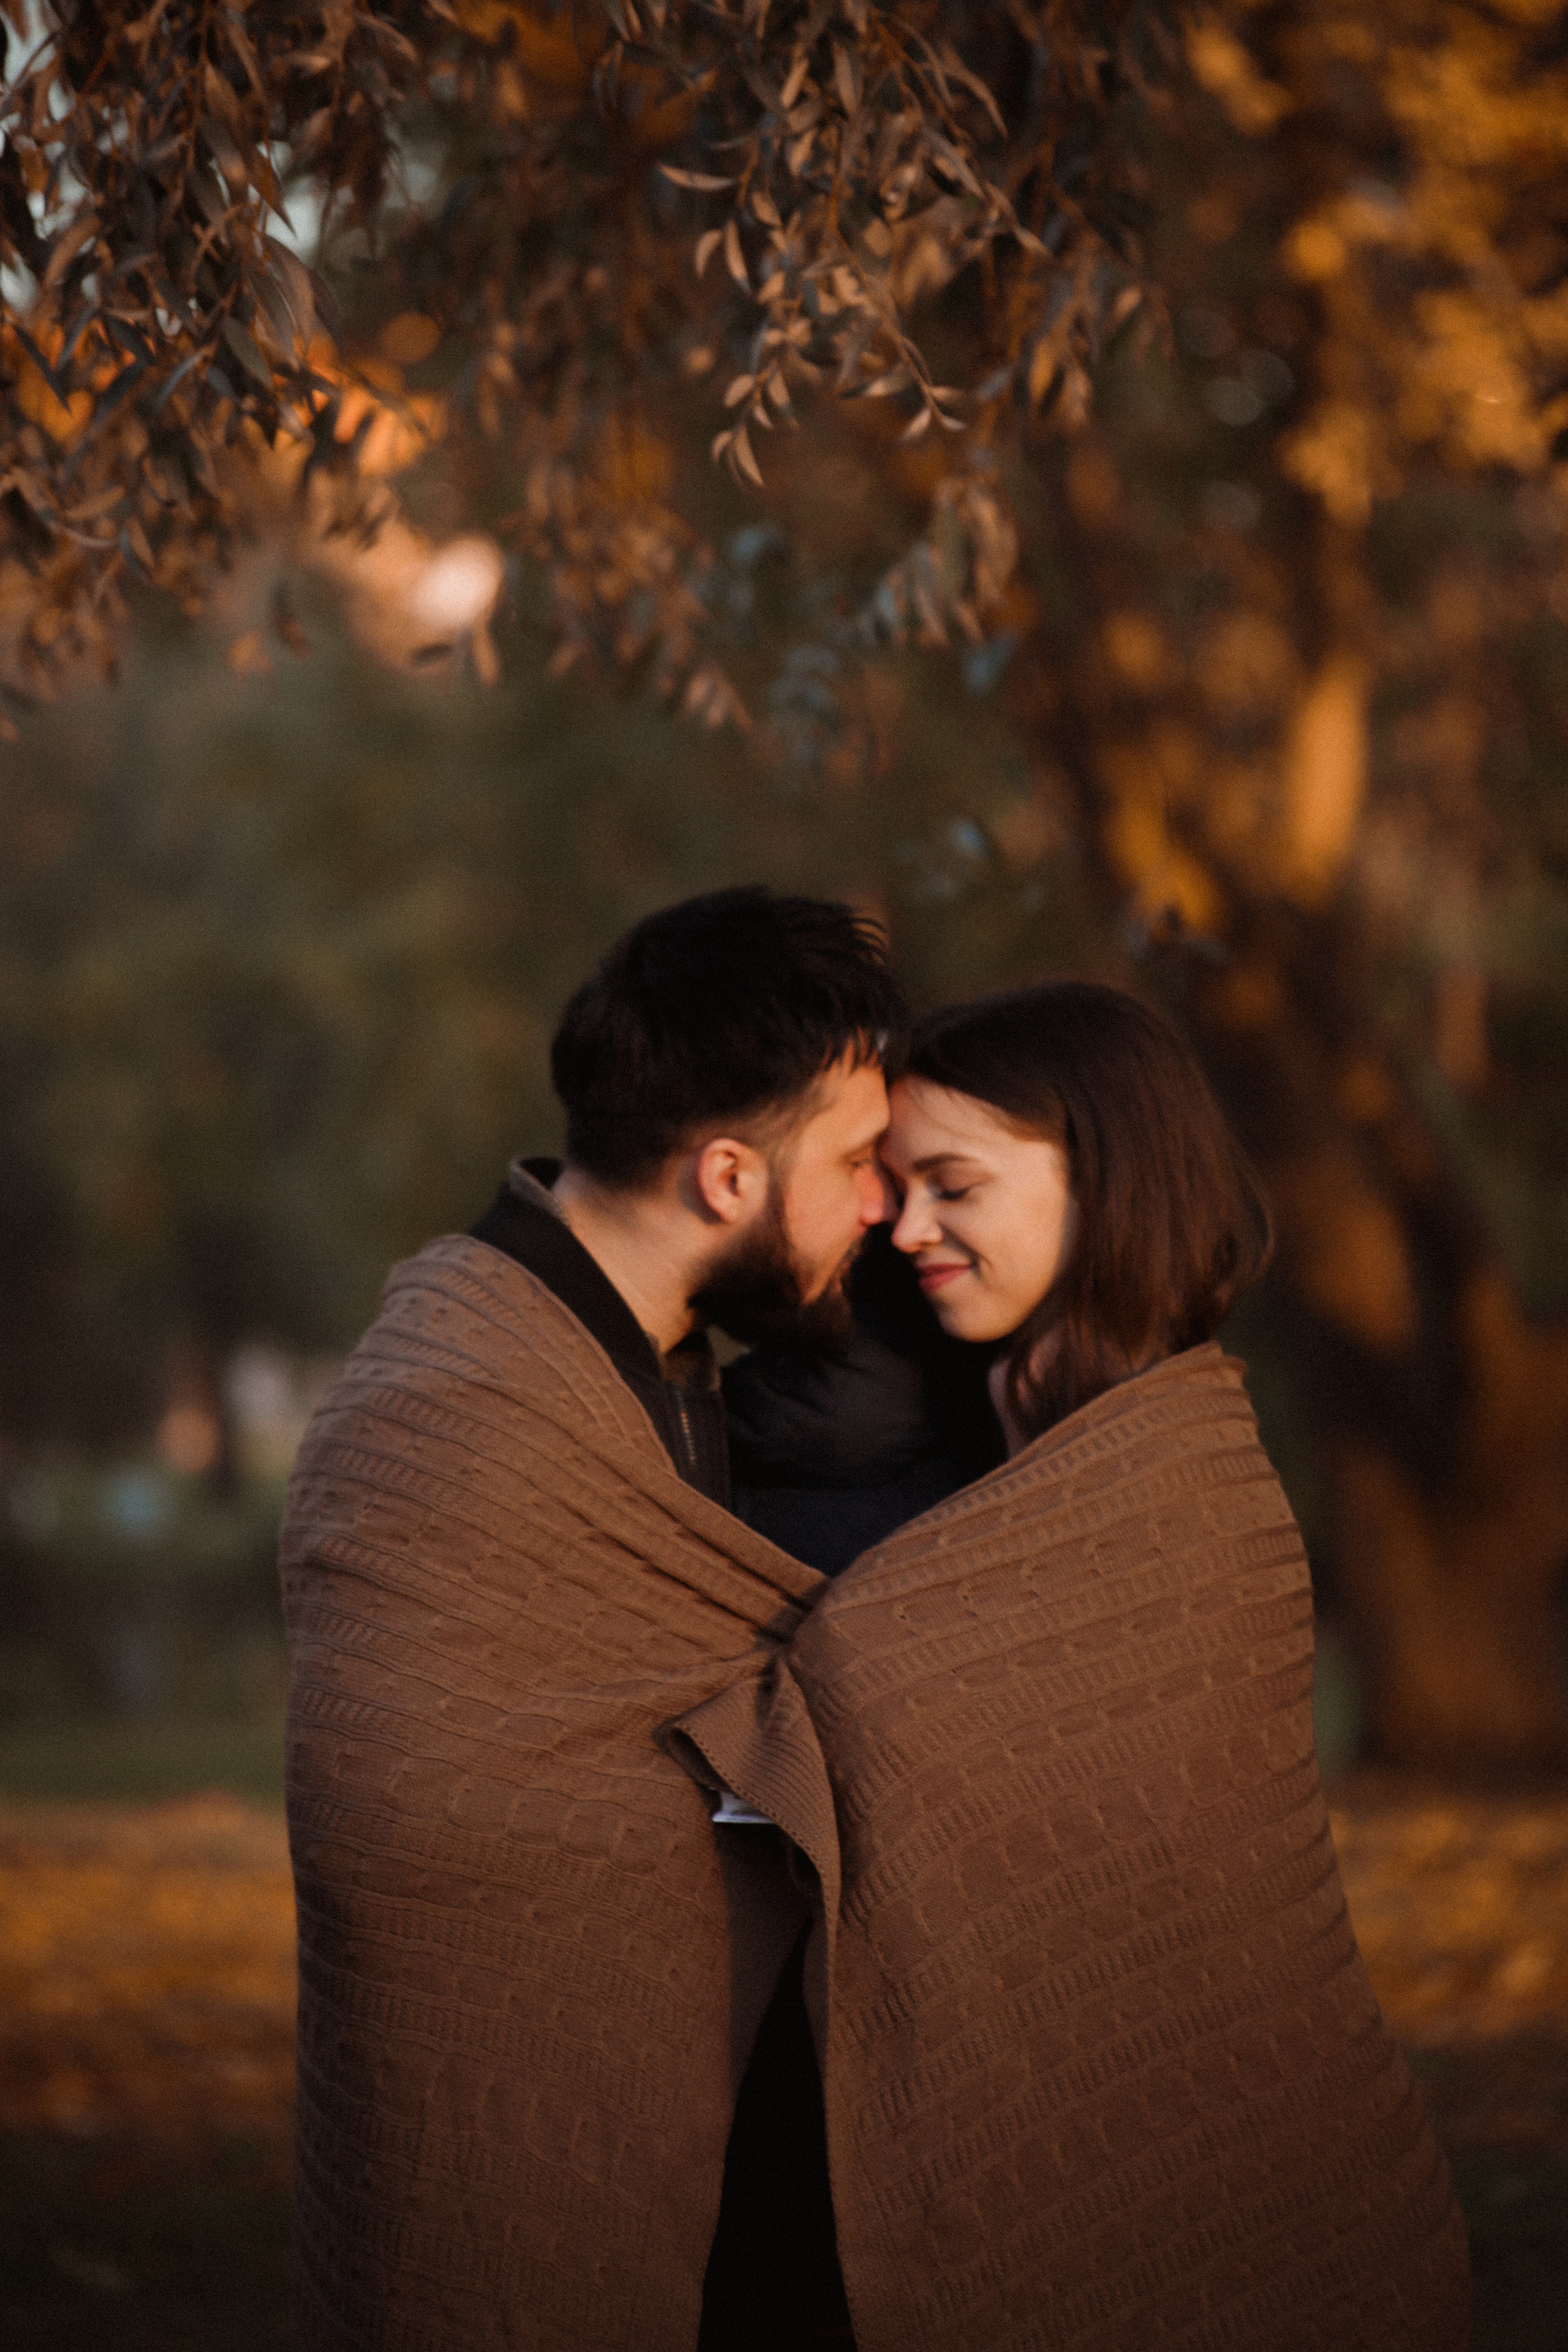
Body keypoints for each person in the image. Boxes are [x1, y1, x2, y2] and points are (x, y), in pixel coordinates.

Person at [694, 979, 1470, 2348]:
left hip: (1154, 2114)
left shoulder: (1183, 1484)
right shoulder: (926, 1414)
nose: (907, 1227)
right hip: (832, 2102)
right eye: (892, 1186)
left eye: (952, 1187)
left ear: (1100, 1182)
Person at [281, 888, 902, 2352]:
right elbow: (413, 1830)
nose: (883, 1206)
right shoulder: (457, 1397)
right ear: (729, 1176)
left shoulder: (660, 1365)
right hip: (493, 2117)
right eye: (862, 1162)